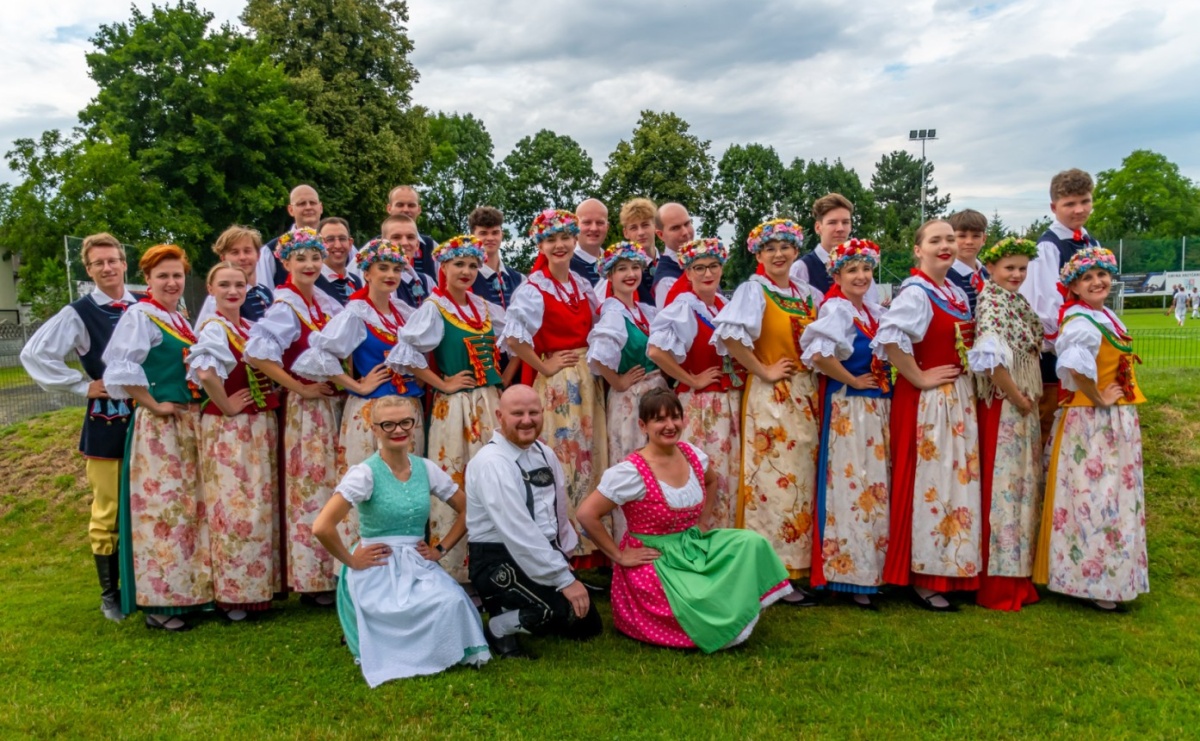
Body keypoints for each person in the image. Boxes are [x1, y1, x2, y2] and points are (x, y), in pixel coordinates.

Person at [576, 389, 792, 652]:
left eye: (675, 418)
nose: (670, 426)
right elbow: (587, 514)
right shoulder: (630, 472)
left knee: (751, 542)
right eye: (660, 420)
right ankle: (711, 619)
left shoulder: (691, 455)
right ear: (643, 425)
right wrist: (618, 556)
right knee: (696, 596)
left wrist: (702, 522)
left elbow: (711, 481)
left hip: (692, 543)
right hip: (656, 557)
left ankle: (726, 611)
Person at [314, 396, 489, 686]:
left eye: (405, 422)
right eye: (389, 424)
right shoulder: (365, 474)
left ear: (414, 424)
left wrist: (440, 549)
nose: (398, 430)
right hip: (376, 564)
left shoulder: (425, 468)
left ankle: (433, 650)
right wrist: (352, 560)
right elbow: (322, 526)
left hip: (417, 561)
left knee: (452, 601)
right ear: (375, 428)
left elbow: (468, 509)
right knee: (393, 611)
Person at [20, 233, 139, 622]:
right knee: (108, 511)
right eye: (98, 263)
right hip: (106, 422)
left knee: (149, 503)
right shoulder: (80, 312)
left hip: (152, 420)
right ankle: (111, 595)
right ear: (88, 270)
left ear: (124, 263)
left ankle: (151, 584)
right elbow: (35, 353)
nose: (107, 268)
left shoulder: (145, 305)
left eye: (113, 260)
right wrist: (81, 385)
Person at [712, 218, 823, 606]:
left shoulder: (808, 293)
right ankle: (773, 572)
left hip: (805, 396)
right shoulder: (753, 290)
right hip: (772, 398)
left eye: (785, 247)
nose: (779, 254)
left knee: (802, 483)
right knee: (772, 484)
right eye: (770, 248)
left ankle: (797, 568)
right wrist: (762, 369)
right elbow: (728, 334)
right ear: (758, 254)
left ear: (796, 251)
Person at [874, 220, 981, 611]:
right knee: (929, 481)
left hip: (955, 399)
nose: (946, 245)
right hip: (928, 403)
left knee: (955, 480)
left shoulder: (954, 291)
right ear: (918, 250)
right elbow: (889, 336)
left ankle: (952, 565)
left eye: (950, 239)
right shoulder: (916, 292)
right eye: (935, 240)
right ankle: (923, 575)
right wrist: (917, 376)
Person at [1034, 247, 1148, 611]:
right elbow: (1071, 363)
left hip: (1115, 419)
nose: (1097, 282)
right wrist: (1098, 396)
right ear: (1075, 288)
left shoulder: (1106, 315)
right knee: (1095, 497)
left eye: (1101, 275)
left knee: (1113, 496)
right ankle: (1092, 580)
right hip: (1092, 423)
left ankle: (1113, 576)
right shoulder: (1081, 321)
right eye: (1087, 278)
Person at [386, 234, 505, 583]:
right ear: (444, 267)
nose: (466, 271)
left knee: (493, 481)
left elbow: (516, 337)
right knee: (455, 481)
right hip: (454, 407)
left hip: (488, 401)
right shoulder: (434, 307)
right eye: (459, 265)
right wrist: (443, 383)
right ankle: (454, 569)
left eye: (472, 265)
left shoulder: (483, 307)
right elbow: (404, 354)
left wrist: (501, 381)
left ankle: (495, 566)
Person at [102, 244, 209, 631]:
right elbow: (119, 369)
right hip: (159, 429)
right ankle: (159, 604)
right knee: (161, 512)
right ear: (146, 279)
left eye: (177, 275)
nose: (171, 281)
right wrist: (152, 403)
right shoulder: (141, 315)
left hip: (184, 422)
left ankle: (187, 593)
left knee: (187, 510)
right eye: (162, 275)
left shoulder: (178, 317)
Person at [501, 209, 608, 567]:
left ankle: (589, 547)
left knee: (589, 455)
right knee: (562, 457)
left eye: (565, 238)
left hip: (586, 380)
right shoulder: (533, 287)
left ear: (575, 240)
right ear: (540, 245)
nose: (559, 245)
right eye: (551, 240)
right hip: (558, 384)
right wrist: (544, 365)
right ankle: (560, 549)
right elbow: (515, 337)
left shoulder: (582, 284)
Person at [466, 385, 603, 658]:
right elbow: (518, 532)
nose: (527, 420)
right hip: (497, 558)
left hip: (538, 551)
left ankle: (520, 606)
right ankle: (497, 625)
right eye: (517, 413)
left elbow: (559, 509)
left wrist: (564, 552)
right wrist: (564, 579)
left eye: (533, 412)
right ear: (499, 416)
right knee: (553, 612)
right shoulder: (492, 463)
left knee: (586, 624)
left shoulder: (543, 452)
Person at [245, 227, 343, 605]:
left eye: (315, 258)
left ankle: (332, 571)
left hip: (329, 403)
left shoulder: (321, 301)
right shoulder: (285, 305)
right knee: (310, 487)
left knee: (330, 482)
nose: (310, 264)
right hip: (307, 408)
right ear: (285, 263)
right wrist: (298, 387)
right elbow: (257, 353)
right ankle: (312, 579)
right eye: (300, 258)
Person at [800, 239, 892, 609]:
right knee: (852, 488)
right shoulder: (837, 308)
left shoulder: (870, 310)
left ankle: (871, 570)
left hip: (874, 409)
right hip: (848, 409)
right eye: (852, 270)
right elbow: (818, 353)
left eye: (866, 269)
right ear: (836, 275)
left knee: (874, 486)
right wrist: (852, 380)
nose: (861, 276)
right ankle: (848, 573)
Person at [188, 262, 281, 621]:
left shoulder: (245, 326)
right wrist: (225, 404)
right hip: (231, 430)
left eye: (239, 285)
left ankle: (256, 589)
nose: (232, 291)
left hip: (255, 425)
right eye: (224, 285)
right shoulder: (214, 327)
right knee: (235, 508)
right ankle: (235, 596)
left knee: (256, 506)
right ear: (210, 290)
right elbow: (205, 370)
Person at [293, 238, 422, 472]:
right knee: (371, 480)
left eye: (396, 269)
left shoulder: (403, 313)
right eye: (382, 268)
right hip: (372, 409)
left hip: (408, 407)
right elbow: (320, 355)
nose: (390, 274)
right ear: (367, 273)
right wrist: (357, 385)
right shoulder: (356, 313)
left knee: (407, 476)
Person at [967, 237, 1044, 612]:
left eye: (1021, 269)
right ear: (992, 270)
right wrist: (1016, 396)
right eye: (1009, 268)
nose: (1015, 275)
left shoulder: (1016, 302)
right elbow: (990, 362)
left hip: (1020, 404)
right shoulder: (993, 302)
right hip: (1005, 406)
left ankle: (1017, 576)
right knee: (1005, 490)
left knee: (1021, 489)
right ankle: (998, 582)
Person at [647, 237, 745, 529]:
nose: (707, 274)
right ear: (687, 273)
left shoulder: (723, 306)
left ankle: (724, 541)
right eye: (699, 268)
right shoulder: (684, 307)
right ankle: (699, 537)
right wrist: (691, 379)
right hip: (702, 406)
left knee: (728, 475)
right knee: (707, 473)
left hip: (729, 402)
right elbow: (655, 350)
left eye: (713, 266)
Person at [1020, 169, 1100, 445]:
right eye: (1070, 204)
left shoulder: (1091, 242)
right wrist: (1066, 346)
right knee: (1052, 421)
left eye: (1085, 201)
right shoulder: (1047, 248)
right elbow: (1042, 307)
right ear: (1054, 207)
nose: (1079, 209)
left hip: (1087, 343)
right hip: (1058, 352)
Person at [587, 240, 667, 478]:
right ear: (610, 275)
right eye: (622, 269)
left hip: (655, 394)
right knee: (635, 460)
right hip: (631, 399)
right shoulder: (613, 312)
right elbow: (598, 354)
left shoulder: (645, 311)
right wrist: (618, 381)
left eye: (635, 267)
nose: (630, 274)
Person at [790, 193, 882, 305]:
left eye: (845, 222)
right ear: (818, 227)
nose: (840, 228)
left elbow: (872, 307)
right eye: (832, 222)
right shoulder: (802, 269)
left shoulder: (862, 267)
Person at [193, 225, 273, 326]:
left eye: (247, 251)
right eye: (235, 252)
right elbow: (200, 336)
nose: (242, 257)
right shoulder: (216, 299)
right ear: (223, 259)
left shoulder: (266, 291)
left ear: (258, 255)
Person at [256, 184, 324, 290]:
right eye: (301, 203)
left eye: (312, 203)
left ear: (320, 208)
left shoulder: (339, 246)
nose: (308, 207)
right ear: (291, 210)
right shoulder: (271, 250)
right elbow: (265, 294)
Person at [469, 205, 524, 310]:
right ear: (472, 237)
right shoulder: (467, 279)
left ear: (501, 235)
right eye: (483, 233)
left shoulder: (519, 279)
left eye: (495, 233)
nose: (490, 238)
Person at [381, 214, 436, 310]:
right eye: (396, 237)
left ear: (417, 244)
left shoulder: (427, 281)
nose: (405, 243)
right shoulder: (378, 280)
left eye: (410, 237)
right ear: (383, 243)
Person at [386, 185, 439, 279]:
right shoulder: (372, 249)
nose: (406, 210)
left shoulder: (432, 247)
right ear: (389, 208)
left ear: (419, 209)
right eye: (400, 205)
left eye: (411, 205)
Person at [947, 209, 990, 317]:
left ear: (984, 239)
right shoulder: (945, 277)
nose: (969, 241)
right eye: (962, 236)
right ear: (951, 238)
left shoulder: (988, 274)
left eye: (976, 236)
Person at [652, 203, 696, 308]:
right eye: (675, 228)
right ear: (660, 235)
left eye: (687, 224)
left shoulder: (698, 261)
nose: (685, 232)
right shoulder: (667, 281)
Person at [616, 197, 658, 304]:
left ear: (655, 226)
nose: (640, 232)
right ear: (626, 233)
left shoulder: (671, 263)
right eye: (634, 228)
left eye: (645, 225)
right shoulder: (621, 271)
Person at [316, 217, 365, 305]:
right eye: (330, 239)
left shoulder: (356, 281)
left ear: (350, 244)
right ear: (319, 244)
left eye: (342, 239)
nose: (338, 245)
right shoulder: (313, 281)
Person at [570, 198, 609, 287]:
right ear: (575, 226)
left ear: (607, 227)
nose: (594, 228)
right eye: (587, 222)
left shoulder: (616, 263)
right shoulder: (565, 266)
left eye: (599, 223)